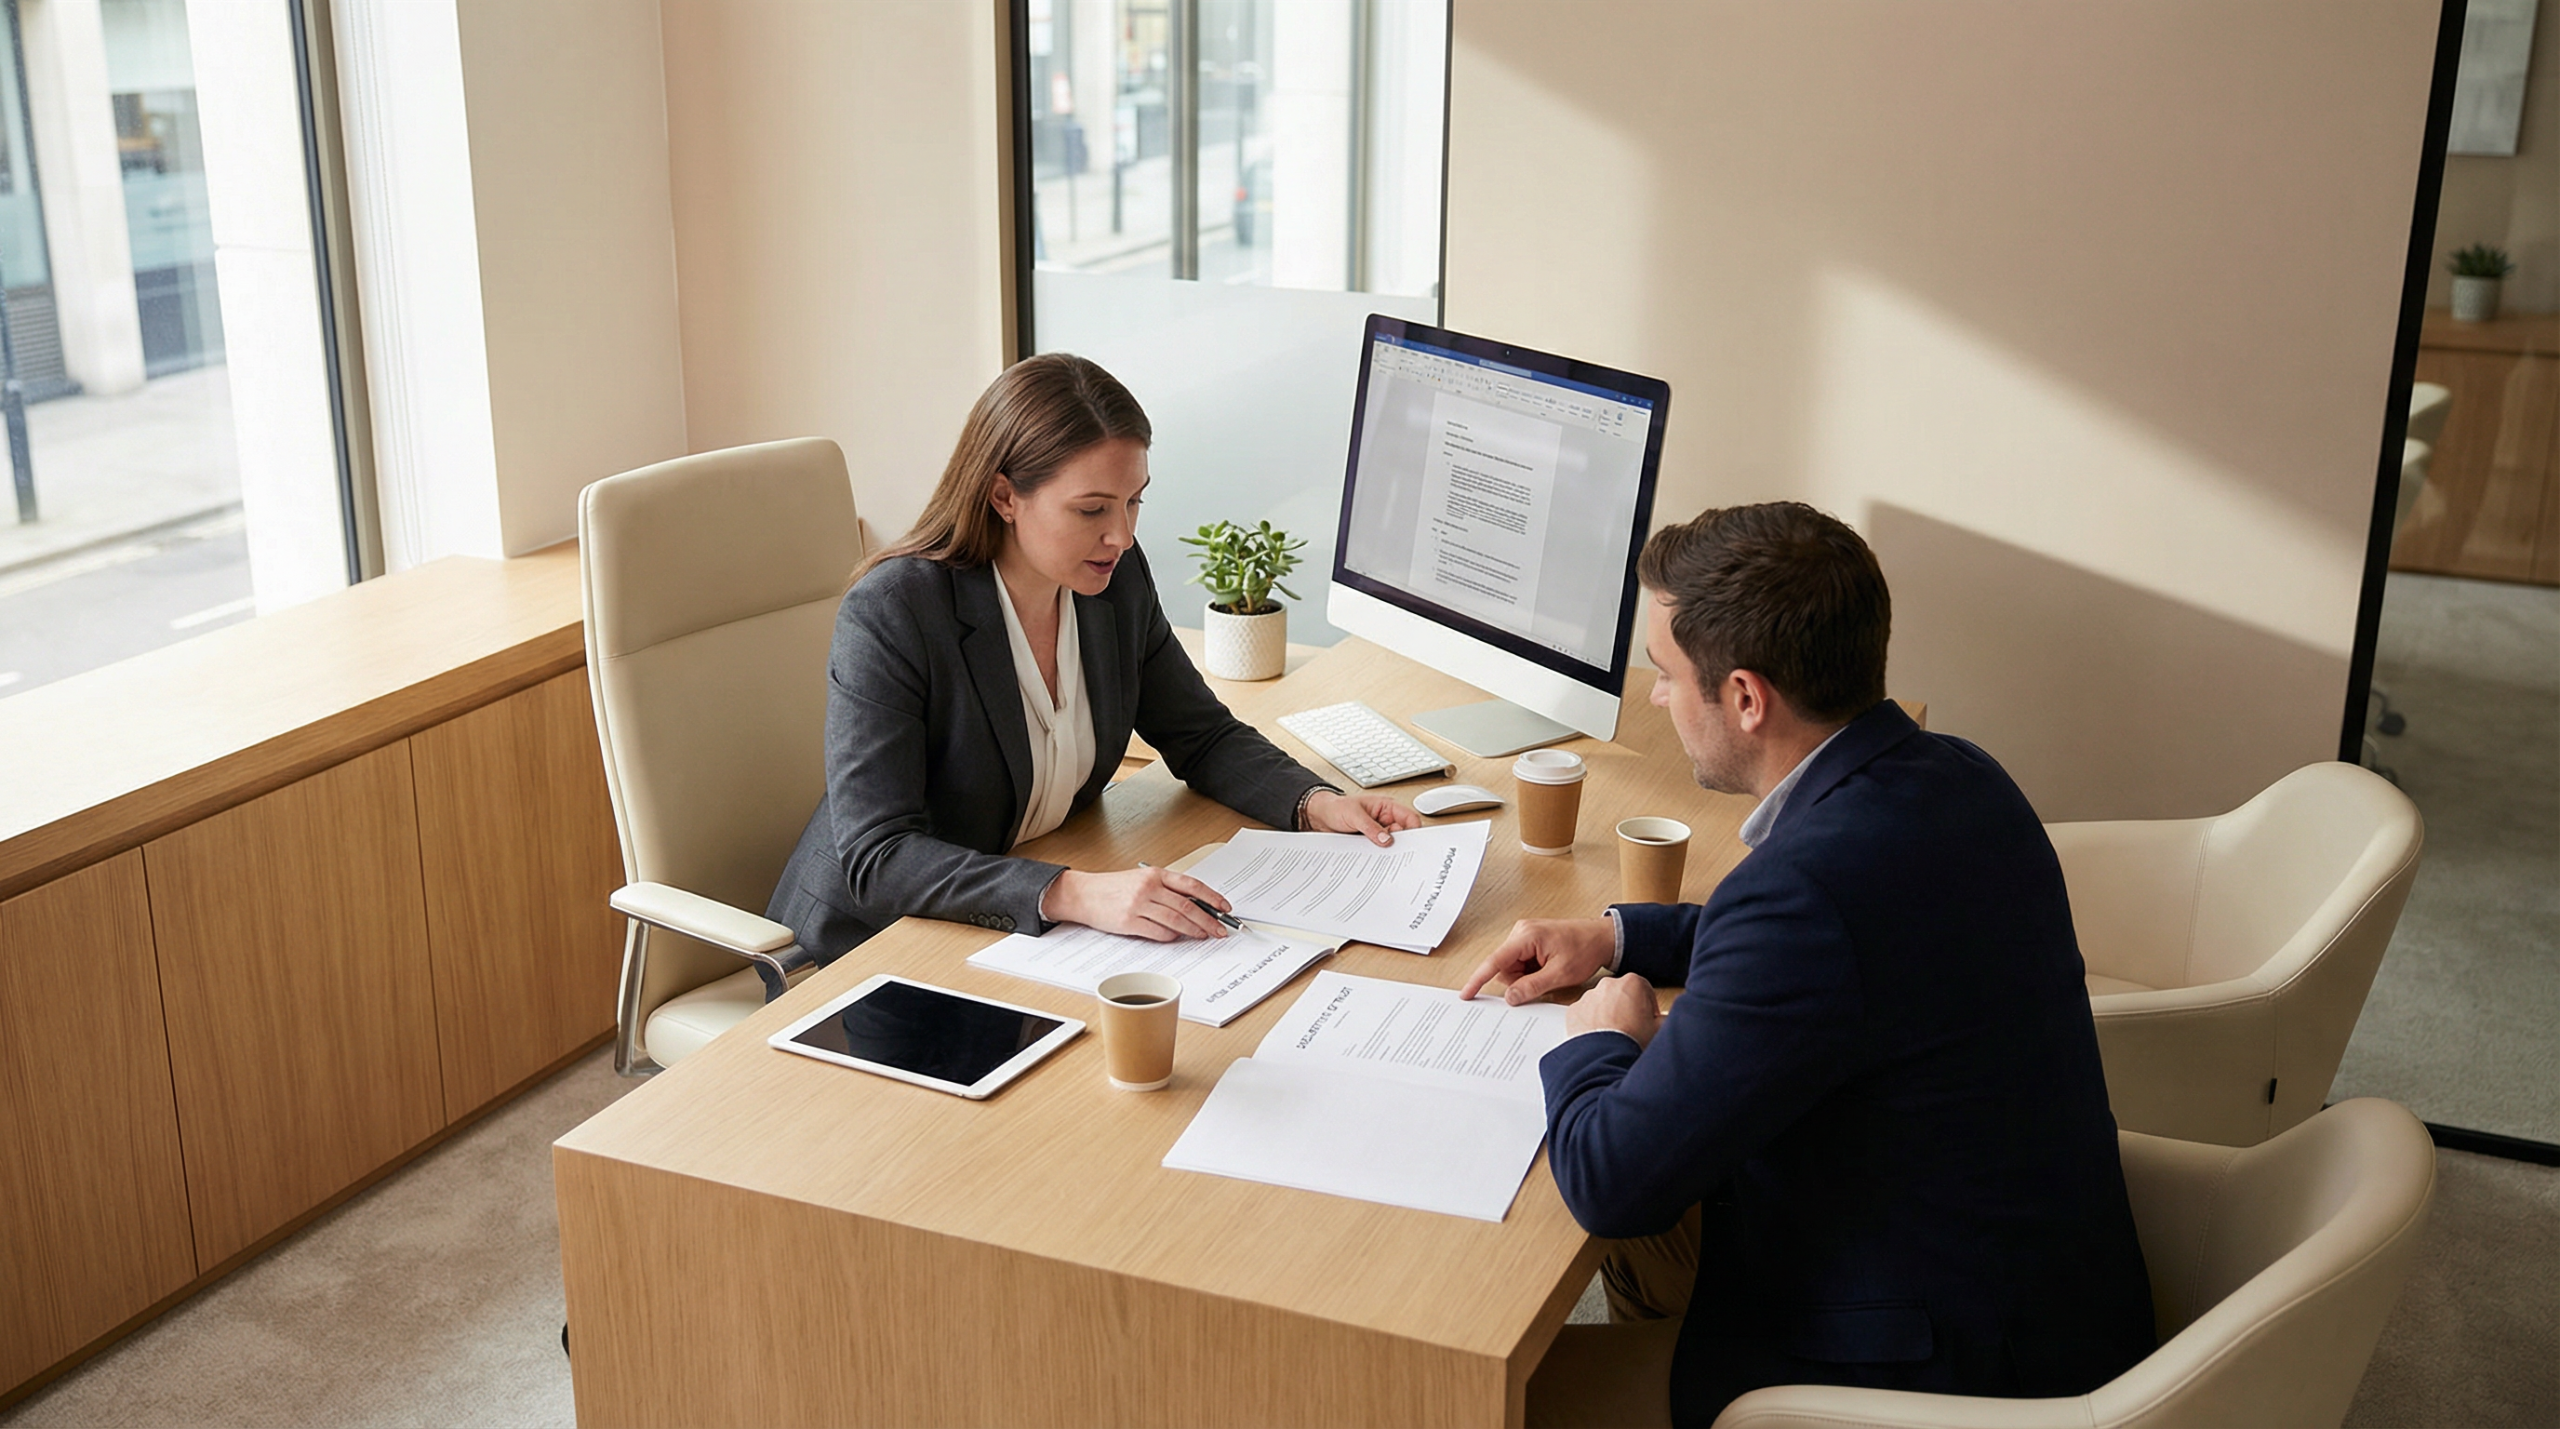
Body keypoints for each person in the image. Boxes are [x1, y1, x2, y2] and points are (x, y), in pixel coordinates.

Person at [1461, 503, 2154, 1427]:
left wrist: (1600, 1040)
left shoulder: (1801, 897)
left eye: (1666, 675)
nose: (1658, 699)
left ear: (1746, 698)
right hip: (2044, 1297)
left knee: (1478, 1395)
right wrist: (1621, 938)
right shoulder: (1961, 774)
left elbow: (1612, 1184)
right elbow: (1838, 945)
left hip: (1934, 1378)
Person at [767, 353, 1418, 960]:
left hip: (1016, 934)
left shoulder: (1112, 583)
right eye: (1091, 510)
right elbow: (879, 856)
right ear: (1004, 497)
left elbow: (1201, 735)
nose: (1122, 535)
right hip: (868, 949)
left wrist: (1313, 802)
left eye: (1134, 501)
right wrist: (1073, 892)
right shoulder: (896, 612)